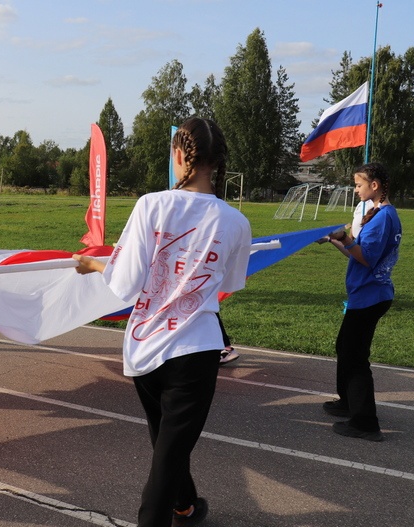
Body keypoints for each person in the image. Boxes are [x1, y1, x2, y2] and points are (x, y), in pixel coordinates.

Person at [73, 117, 251, 527]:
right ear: (219, 162)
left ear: (178, 155)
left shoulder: (151, 204)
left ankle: (185, 505)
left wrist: (96, 265)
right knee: (169, 450)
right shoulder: (236, 221)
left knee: (167, 442)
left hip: (146, 347)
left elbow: (125, 281)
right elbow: (231, 282)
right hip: (195, 350)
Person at [324, 163, 401, 442]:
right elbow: (357, 253)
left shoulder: (383, 218)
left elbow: (366, 258)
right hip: (365, 294)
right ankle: (348, 403)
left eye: (359, 185)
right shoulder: (378, 214)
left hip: (371, 296)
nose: (356, 190)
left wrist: (344, 237)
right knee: (345, 348)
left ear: (375, 186)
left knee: (355, 357)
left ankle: (365, 422)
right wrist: (335, 240)